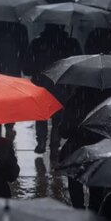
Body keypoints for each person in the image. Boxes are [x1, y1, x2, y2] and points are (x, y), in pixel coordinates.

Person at [57, 87, 111, 210]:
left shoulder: (74, 101)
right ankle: (94, 215)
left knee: (75, 185)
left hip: (76, 150)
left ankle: (79, 212)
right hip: (98, 148)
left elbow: (64, 130)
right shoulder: (107, 101)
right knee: (96, 189)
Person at [22, 24, 82, 154]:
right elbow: (79, 65)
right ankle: (55, 144)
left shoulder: (37, 43)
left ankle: (41, 141)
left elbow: (26, 68)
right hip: (63, 84)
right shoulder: (71, 43)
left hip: (41, 83)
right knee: (58, 116)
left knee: (41, 114)